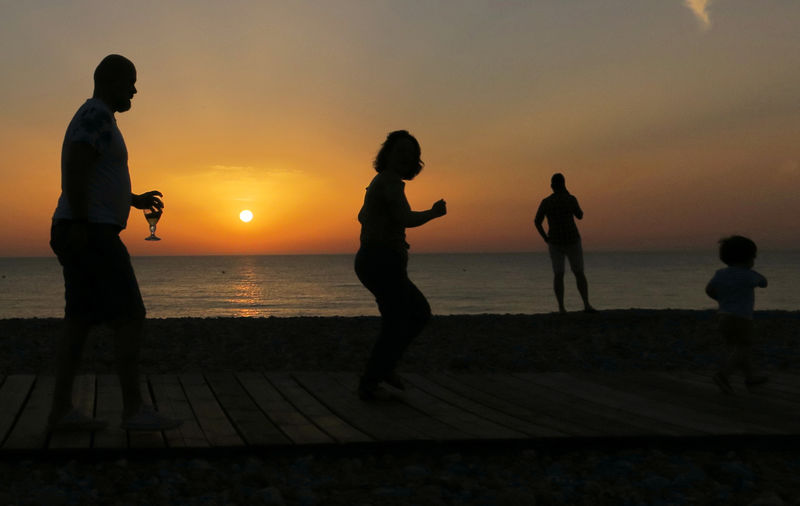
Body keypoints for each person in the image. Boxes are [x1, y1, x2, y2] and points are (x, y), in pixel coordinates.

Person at [48, 55, 181, 431]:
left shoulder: (99, 118)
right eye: (130, 82)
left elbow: (95, 173)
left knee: (79, 320)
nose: (135, 90)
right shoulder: (96, 115)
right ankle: (133, 411)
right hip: (92, 232)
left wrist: (132, 199)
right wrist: (81, 222)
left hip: (86, 228)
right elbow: (75, 166)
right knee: (129, 316)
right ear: (111, 81)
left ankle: (61, 412)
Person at [354, 130, 447, 401]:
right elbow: (405, 218)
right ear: (389, 154)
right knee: (418, 312)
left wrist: (383, 229)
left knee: (397, 319)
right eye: (401, 151)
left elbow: (362, 215)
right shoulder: (391, 182)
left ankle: (379, 372)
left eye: (411, 154)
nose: (406, 158)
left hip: (375, 260)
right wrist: (433, 213)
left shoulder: (378, 182)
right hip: (380, 261)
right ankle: (375, 376)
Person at [705, 235, 768, 394]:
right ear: (749, 258)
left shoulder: (720, 273)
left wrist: (721, 299)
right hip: (742, 319)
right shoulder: (748, 275)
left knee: (737, 348)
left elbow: (709, 290)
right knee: (744, 347)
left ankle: (750, 377)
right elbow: (763, 282)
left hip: (723, 316)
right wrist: (756, 276)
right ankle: (724, 375)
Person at [534, 173, 595, 313]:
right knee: (579, 272)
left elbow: (537, 221)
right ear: (564, 184)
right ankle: (586, 304)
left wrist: (545, 237)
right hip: (572, 240)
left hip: (555, 241)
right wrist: (569, 194)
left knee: (558, 274)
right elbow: (580, 215)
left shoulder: (546, 202)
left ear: (552, 186)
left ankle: (561, 307)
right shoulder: (570, 199)